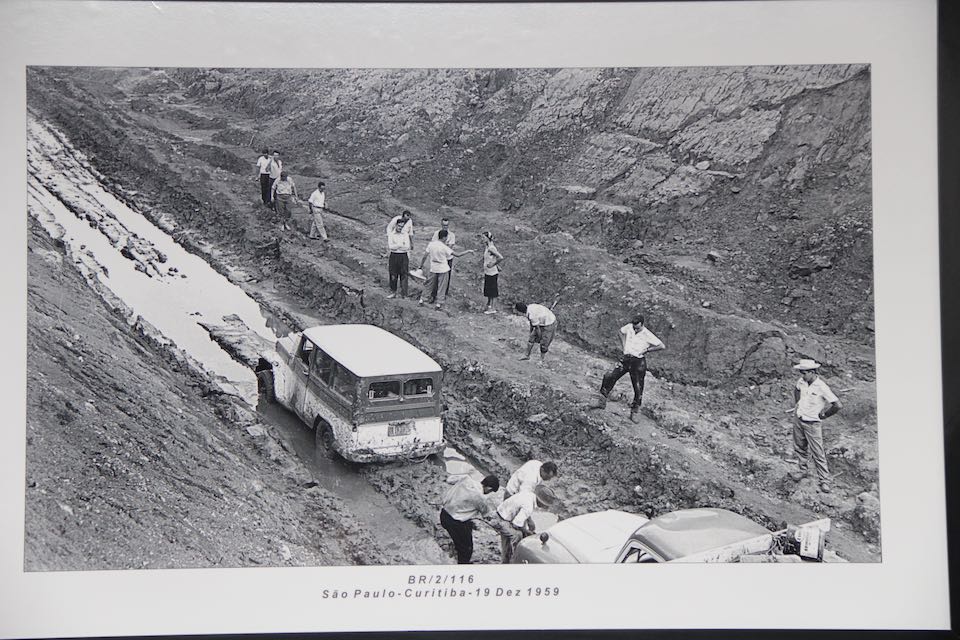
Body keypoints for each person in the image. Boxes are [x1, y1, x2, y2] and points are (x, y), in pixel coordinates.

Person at [590, 314, 664, 422]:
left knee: (638, 388)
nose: (635, 329)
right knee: (609, 376)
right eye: (634, 327)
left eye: (637, 328)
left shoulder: (647, 334)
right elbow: (620, 332)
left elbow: (661, 346)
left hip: (638, 362)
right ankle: (601, 401)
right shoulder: (629, 327)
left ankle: (634, 411)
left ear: (642, 324)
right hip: (626, 359)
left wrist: (647, 350)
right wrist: (624, 344)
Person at [789, 359, 842, 493]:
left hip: (812, 423)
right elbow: (797, 390)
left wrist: (824, 415)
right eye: (801, 372)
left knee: (818, 452)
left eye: (804, 373)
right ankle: (803, 470)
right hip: (799, 418)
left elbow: (837, 405)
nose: (802, 375)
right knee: (799, 447)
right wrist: (798, 405)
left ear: (812, 372)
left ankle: (824, 480)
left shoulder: (821, 387)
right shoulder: (801, 382)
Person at [439, 474, 500, 564]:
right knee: (467, 549)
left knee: (468, 526)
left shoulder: (466, 478)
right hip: (455, 523)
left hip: (444, 514)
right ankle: (463, 565)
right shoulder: (481, 498)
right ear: (489, 488)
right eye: (490, 492)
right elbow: (487, 515)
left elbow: (449, 479)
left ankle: (457, 545)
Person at [487, 484, 556, 564]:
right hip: (500, 519)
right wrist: (527, 532)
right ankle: (513, 557)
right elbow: (516, 524)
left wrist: (529, 520)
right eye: (545, 505)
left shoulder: (529, 495)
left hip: (503, 512)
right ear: (542, 503)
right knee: (517, 535)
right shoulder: (528, 506)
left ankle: (510, 555)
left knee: (524, 530)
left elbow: (521, 508)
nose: (545, 507)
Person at [418, 229, 474, 310]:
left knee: (429, 285)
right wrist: (468, 251)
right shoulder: (444, 247)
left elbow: (425, 256)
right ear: (444, 237)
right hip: (443, 268)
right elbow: (457, 255)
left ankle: (422, 299)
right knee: (442, 286)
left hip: (433, 268)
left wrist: (421, 265)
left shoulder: (431, 244)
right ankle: (438, 303)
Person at [386, 210, 415, 299]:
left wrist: (398, 246)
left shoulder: (405, 234)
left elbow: (406, 247)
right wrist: (399, 245)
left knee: (404, 274)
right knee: (393, 274)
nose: (400, 228)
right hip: (394, 255)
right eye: (399, 226)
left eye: (402, 226)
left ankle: (404, 294)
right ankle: (393, 292)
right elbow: (391, 246)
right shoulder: (391, 234)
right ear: (396, 225)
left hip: (403, 256)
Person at [430, 218, 457, 298]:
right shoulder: (436, 233)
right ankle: (433, 294)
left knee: (446, 277)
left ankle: (444, 294)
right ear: (441, 225)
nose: (445, 227)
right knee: (435, 277)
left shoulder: (451, 235)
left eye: (447, 225)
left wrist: (441, 247)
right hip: (439, 258)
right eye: (444, 225)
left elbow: (450, 247)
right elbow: (433, 244)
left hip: (447, 258)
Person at [481, 231, 504, 314]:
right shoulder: (487, 247)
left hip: (492, 272)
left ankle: (493, 308)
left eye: (483, 237)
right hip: (488, 272)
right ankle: (489, 305)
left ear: (488, 238)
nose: (482, 239)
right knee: (488, 290)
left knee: (493, 290)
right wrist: (497, 265)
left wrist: (493, 264)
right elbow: (492, 258)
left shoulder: (491, 248)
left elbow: (500, 257)